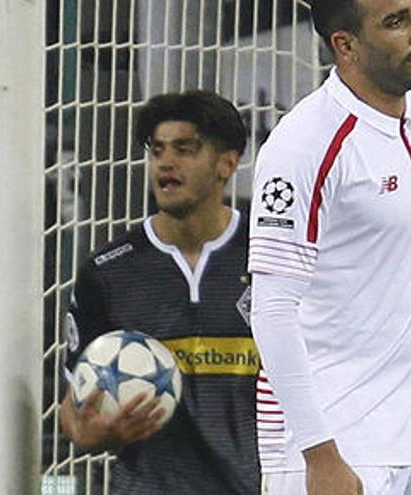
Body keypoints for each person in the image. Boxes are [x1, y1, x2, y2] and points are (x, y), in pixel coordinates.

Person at [248, 0, 411, 493]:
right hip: (326, 451)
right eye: (396, 22)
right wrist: (319, 454)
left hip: (406, 444)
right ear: (345, 45)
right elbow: (271, 308)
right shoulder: (303, 144)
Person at [59, 90, 258, 493]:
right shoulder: (108, 272)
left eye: (185, 149)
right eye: (157, 150)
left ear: (227, 163)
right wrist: (93, 433)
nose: (166, 162)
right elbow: (73, 408)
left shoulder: (270, 256)